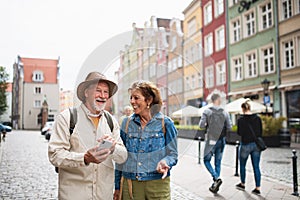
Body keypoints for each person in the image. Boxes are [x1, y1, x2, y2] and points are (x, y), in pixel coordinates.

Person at [48, 72, 128, 200]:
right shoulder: (67, 118)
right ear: (86, 93)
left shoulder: (111, 121)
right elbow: (55, 155)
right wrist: (84, 158)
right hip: (74, 195)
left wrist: (113, 148)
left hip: (103, 196)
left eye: (106, 92)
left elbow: (123, 156)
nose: (102, 96)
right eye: (98, 90)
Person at [114, 80, 178, 200]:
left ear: (148, 100)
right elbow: (120, 158)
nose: (132, 101)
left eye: (136, 98)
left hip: (157, 184)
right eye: (131, 98)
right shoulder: (126, 123)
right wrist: (117, 187)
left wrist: (165, 162)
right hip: (131, 184)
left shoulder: (166, 123)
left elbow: (173, 154)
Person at [199, 93, 232, 193]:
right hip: (221, 140)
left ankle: (216, 178)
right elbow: (230, 126)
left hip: (211, 140)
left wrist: (206, 124)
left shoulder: (207, 111)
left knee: (206, 160)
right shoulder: (225, 112)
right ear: (218, 100)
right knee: (218, 162)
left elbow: (201, 125)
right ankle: (216, 183)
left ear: (212, 100)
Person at [236, 101, 262, 195]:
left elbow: (239, 133)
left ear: (243, 109)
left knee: (242, 165)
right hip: (256, 145)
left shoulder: (240, 120)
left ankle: (243, 184)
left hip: (245, 144)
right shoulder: (257, 118)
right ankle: (257, 188)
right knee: (256, 166)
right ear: (249, 108)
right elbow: (260, 132)